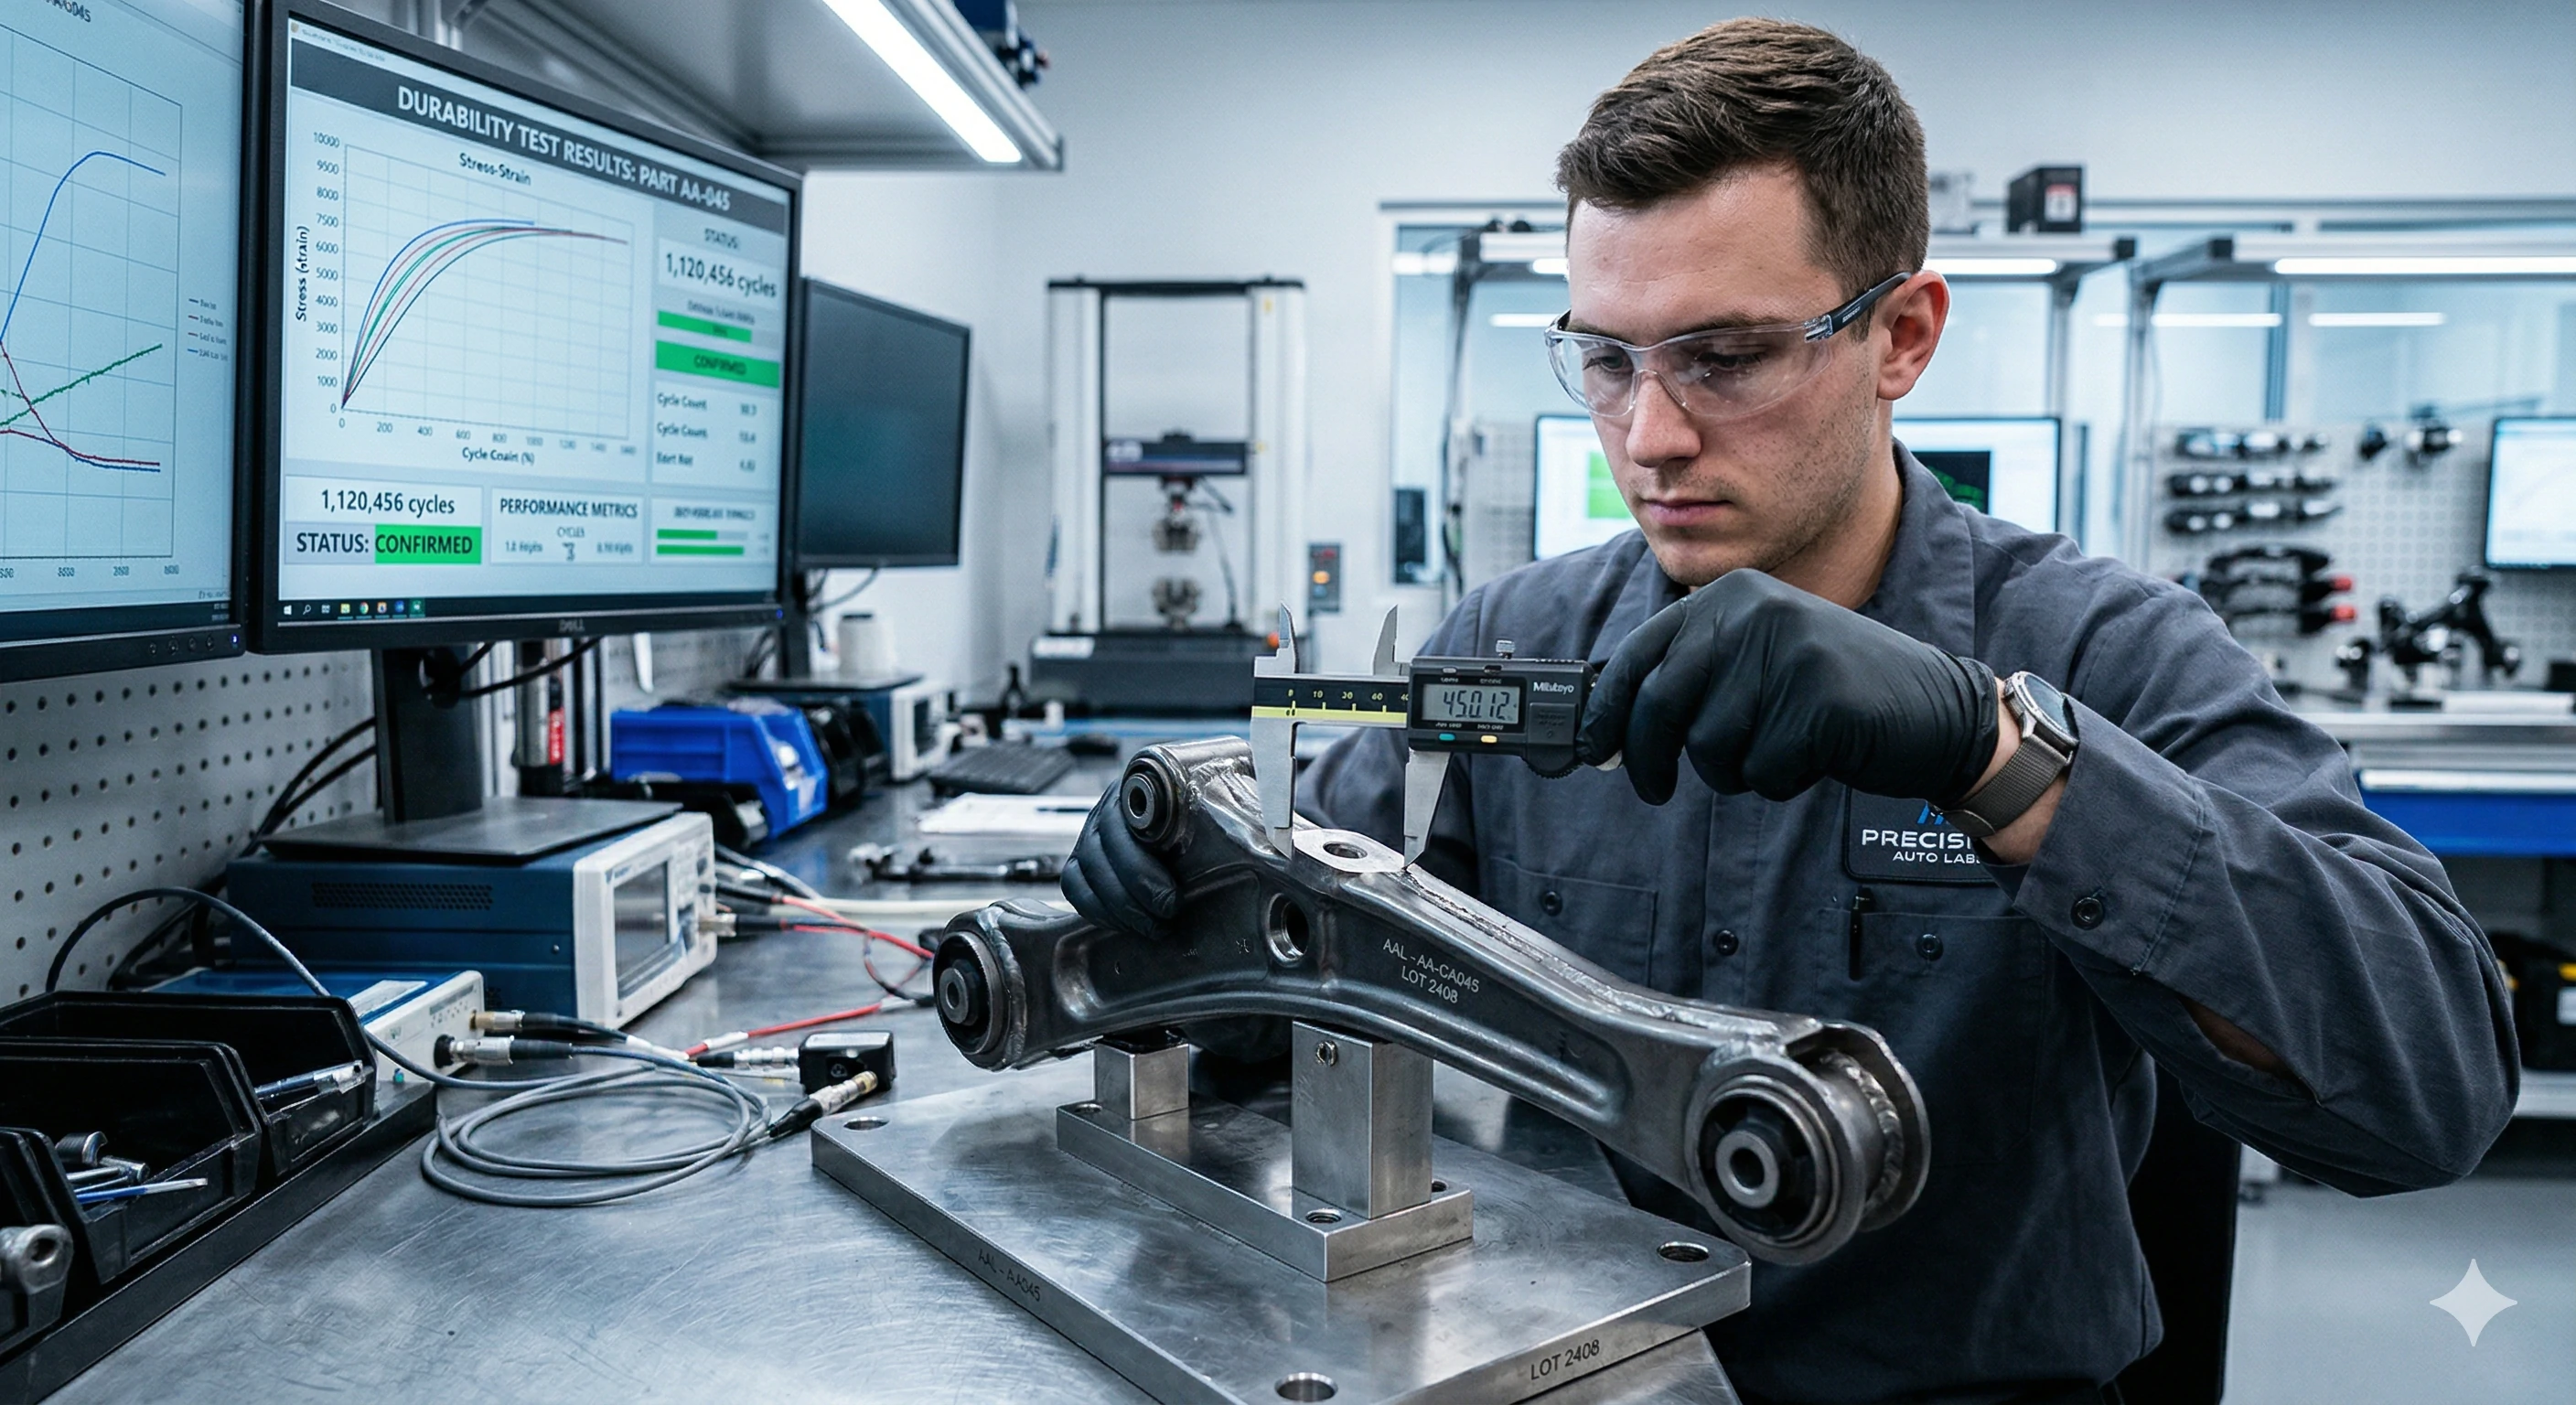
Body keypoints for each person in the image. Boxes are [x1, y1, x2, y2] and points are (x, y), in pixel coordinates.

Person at [1062, 18, 2517, 1404]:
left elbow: (2433, 1086)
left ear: (1903, 337)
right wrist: (1178, 895)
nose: (1650, 436)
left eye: (1727, 357)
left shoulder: (2108, 648)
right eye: (1608, 360)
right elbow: (1290, 985)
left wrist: (1997, 758)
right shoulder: (1513, 644)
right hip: (1569, 1375)